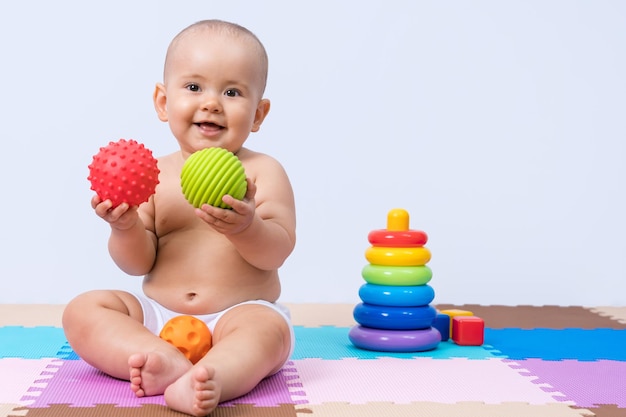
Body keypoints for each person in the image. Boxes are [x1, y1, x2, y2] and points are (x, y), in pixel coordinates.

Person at [62, 19, 296, 417]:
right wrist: (125, 226)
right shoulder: (154, 175)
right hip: (158, 316)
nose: (211, 103)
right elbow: (138, 263)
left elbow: (277, 251)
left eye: (232, 91)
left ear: (258, 114)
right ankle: (157, 357)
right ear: (163, 101)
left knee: (268, 332)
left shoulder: (261, 172)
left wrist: (248, 227)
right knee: (82, 310)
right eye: (193, 87)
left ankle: (212, 375)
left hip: (237, 314)